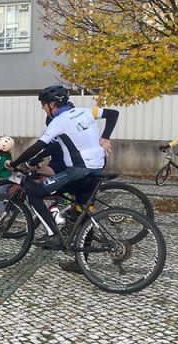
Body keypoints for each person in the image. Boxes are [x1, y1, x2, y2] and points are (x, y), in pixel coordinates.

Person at [7, 85, 119, 260]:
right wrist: (106, 136)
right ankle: (82, 261)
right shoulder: (86, 111)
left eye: (44, 105)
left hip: (78, 170)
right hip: (97, 167)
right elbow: (113, 113)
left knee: (34, 194)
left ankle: (54, 236)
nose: (43, 109)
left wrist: (15, 163)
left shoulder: (59, 121)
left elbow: (39, 146)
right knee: (83, 210)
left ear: (52, 104)